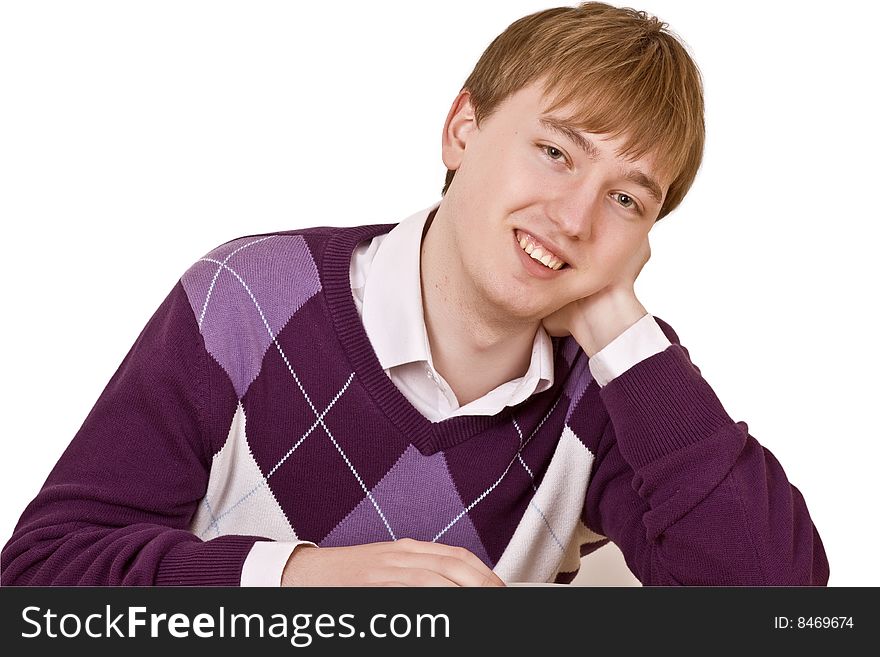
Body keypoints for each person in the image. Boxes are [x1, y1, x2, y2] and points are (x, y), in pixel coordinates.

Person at [1, 2, 828, 587]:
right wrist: (300, 582)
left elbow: (778, 612)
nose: (575, 216)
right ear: (462, 129)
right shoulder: (245, 300)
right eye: (554, 151)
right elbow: (39, 578)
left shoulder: (618, 395)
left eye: (626, 199)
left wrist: (618, 320)